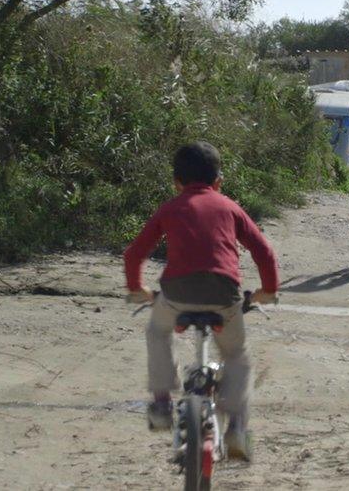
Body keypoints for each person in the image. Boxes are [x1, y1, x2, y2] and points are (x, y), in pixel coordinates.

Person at [123, 141, 278, 461]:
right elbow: (264, 252)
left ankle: (163, 403)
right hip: (224, 296)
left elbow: (134, 253)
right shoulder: (230, 206)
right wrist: (268, 291)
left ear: (176, 182)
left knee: (158, 331)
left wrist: (137, 287)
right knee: (237, 355)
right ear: (219, 181)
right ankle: (236, 428)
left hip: (176, 295)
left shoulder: (170, 207)